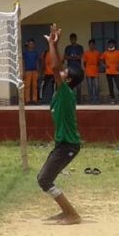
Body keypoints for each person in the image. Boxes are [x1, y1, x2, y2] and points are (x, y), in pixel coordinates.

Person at [37, 23, 84, 225]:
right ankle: (66, 212)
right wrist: (54, 44)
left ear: (69, 79)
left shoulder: (65, 92)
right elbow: (56, 68)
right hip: (63, 144)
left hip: (68, 145)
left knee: (44, 179)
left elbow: (54, 67)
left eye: (65, 72)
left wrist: (52, 44)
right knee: (44, 178)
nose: (61, 71)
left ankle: (72, 214)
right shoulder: (61, 93)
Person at [64, 33, 84, 101]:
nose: (73, 40)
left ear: (76, 39)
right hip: (70, 69)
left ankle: (78, 100)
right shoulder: (68, 47)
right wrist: (74, 57)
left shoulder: (80, 47)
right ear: (70, 40)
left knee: (78, 86)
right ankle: (70, 99)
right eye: (71, 39)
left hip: (78, 69)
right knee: (69, 84)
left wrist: (71, 57)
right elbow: (65, 57)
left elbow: (80, 57)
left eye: (74, 39)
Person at [22, 39, 40, 104]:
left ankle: (35, 99)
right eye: (30, 44)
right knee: (27, 86)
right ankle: (27, 100)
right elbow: (23, 62)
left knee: (35, 86)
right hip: (27, 71)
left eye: (32, 44)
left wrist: (38, 71)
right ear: (28, 45)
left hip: (34, 71)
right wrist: (23, 71)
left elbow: (37, 62)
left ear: (34, 45)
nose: (31, 45)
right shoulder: (25, 53)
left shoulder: (36, 53)